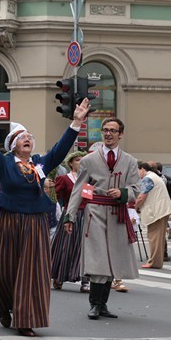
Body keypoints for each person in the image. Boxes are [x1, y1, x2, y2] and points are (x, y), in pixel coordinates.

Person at [0, 99, 90, 336]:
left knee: (33, 271)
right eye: (21, 137)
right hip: (8, 221)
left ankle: (25, 318)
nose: (27, 139)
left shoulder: (40, 163)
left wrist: (76, 121)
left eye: (29, 136)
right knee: (6, 269)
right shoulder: (4, 163)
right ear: (13, 145)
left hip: (35, 222)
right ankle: (5, 305)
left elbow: (60, 150)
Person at [64, 117, 141, 321]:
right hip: (95, 212)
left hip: (117, 215)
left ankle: (103, 304)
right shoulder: (89, 160)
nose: (108, 134)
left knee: (112, 261)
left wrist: (124, 193)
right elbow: (78, 189)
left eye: (113, 131)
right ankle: (95, 305)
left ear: (120, 134)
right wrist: (70, 217)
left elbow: (136, 189)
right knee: (98, 260)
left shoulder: (130, 161)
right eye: (105, 130)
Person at [49, 151, 89, 292]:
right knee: (64, 247)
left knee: (83, 248)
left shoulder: (88, 179)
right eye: (78, 160)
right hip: (69, 215)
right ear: (71, 163)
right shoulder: (64, 179)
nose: (80, 162)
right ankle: (58, 276)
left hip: (85, 214)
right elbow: (55, 198)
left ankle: (85, 281)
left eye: (82, 160)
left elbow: (89, 197)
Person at [136, 161, 171, 269]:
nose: (138, 174)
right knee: (158, 238)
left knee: (154, 238)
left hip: (157, 212)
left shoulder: (148, 178)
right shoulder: (154, 176)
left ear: (142, 169)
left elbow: (141, 197)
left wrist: (135, 206)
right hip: (161, 210)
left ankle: (154, 262)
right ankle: (156, 262)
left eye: (138, 171)